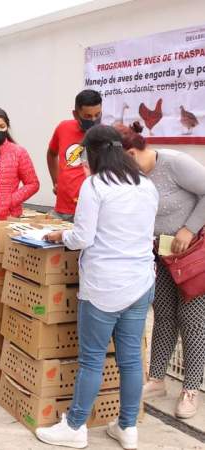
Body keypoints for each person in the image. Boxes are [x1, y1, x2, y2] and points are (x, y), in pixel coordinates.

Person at [36, 125, 158, 449]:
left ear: (93, 153)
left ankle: (75, 426)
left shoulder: (95, 185)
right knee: (130, 359)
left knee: (91, 360)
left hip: (104, 286)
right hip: (140, 282)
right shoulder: (146, 185)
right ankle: (127, 427)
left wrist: (60, 235)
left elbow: (82, 237)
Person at [116, 121, 205, 419]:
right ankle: (156, 379)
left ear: (131, 153)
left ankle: (190, 388)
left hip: (192, 255)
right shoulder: (134, 177)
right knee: (164, 314)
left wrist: (188, 229)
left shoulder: (175, 163)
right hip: (161, 255)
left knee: (192, 320)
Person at [47, 89, 102, 222]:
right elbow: (51, 153)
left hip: (91, 211)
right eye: (88, 116)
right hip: (63, 209)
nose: (94, 120)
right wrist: (56, 181)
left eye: (97, 115)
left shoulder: (106, 135)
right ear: (76, 114)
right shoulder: (63, 128)